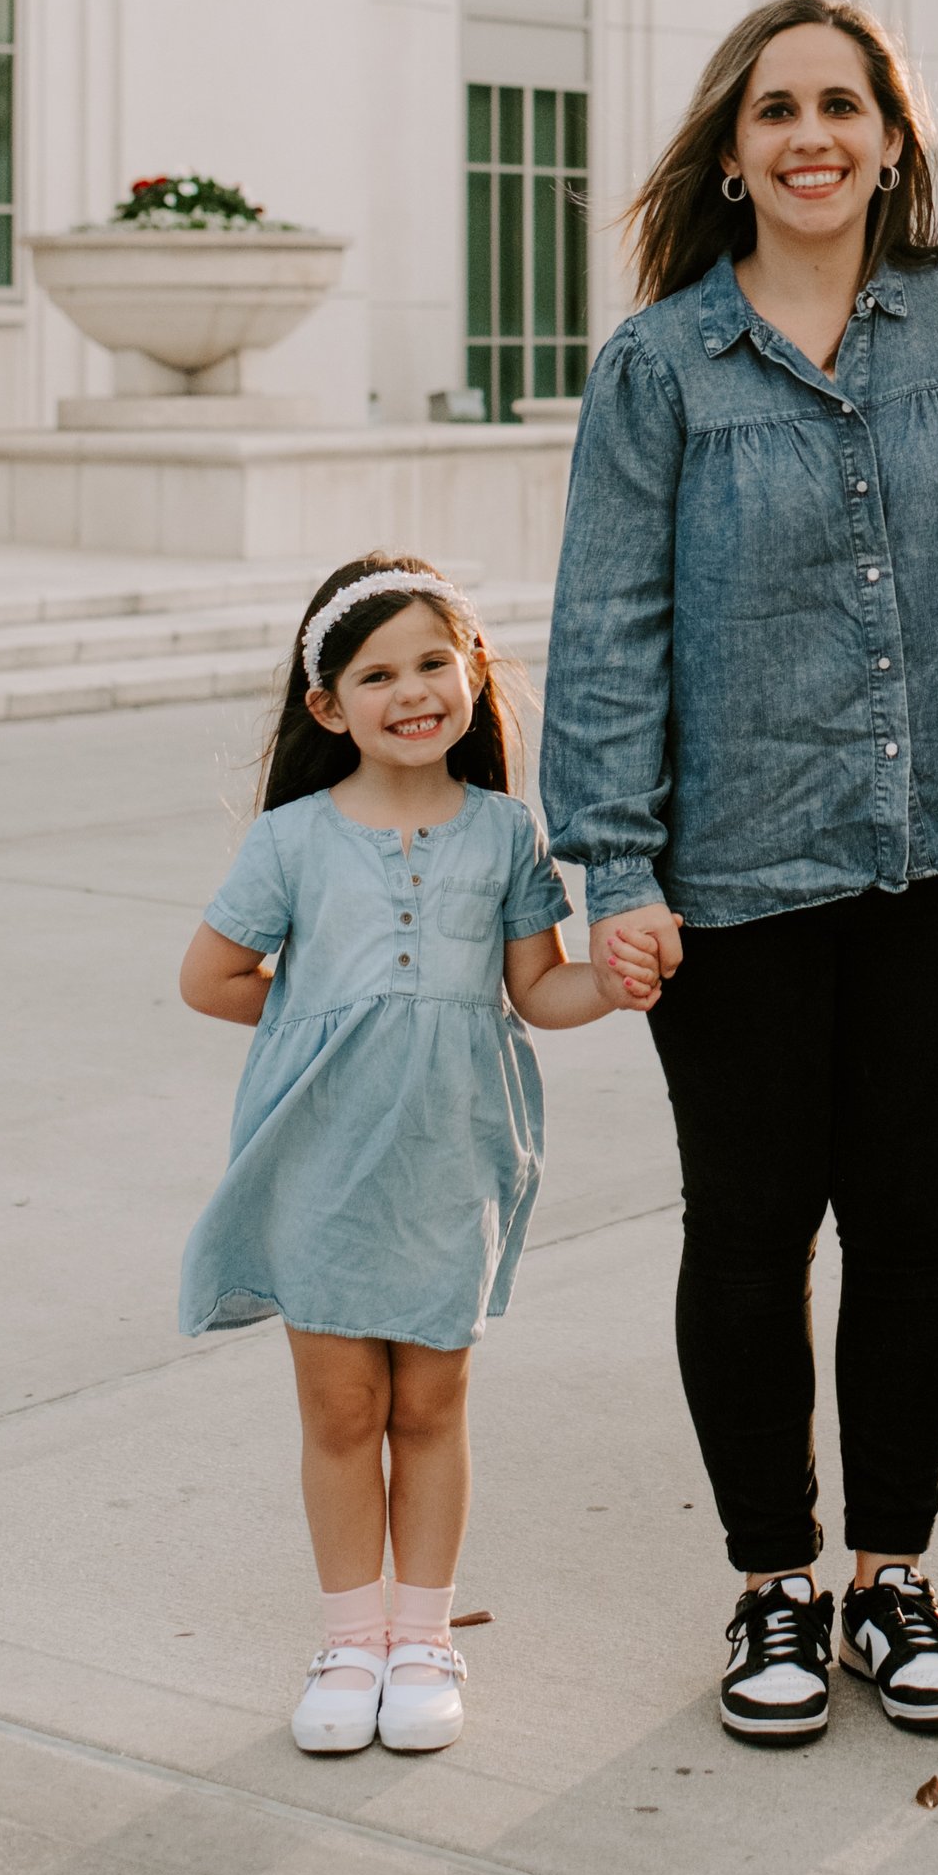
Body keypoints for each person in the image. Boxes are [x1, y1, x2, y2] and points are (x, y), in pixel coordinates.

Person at [543, 0, 938, 1749]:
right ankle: (770, 1592)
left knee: (910, 1227)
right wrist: (614, 865)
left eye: (843, 104)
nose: (811, 135)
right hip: (729, 879)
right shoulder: (662, 365)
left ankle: (892, 1576)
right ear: (732, 155)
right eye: (776, 111)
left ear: (893, 139)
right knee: (749, 1231)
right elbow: (606, 627)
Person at [178, 552, 642, 1757]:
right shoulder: (291, 841)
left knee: (429, 1401)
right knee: (342, 1408)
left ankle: (424, 1636)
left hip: (451, 1148)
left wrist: (616, 978)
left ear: (475, 672)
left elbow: (536, 988)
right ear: (329, 707)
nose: (412, 691)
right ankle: (350, 1639)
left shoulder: (502, 834)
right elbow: (212, 978)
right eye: (376, 674)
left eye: (434, 661)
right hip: (322, 1154)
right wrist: (324, 1024)